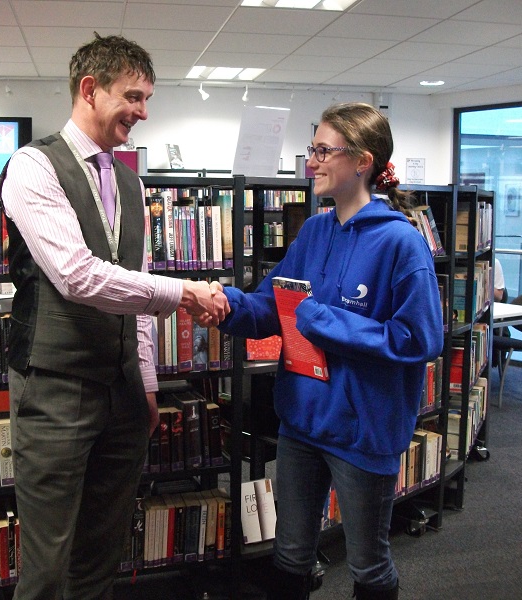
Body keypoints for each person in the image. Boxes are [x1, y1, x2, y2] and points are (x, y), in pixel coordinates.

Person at [0, 33, 228, 600]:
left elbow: (134, 298)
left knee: (101, 557)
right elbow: (79, 277)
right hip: (55, 390)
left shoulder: (131, 180)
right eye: (132, 96)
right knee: (48, 566)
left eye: (147, 98)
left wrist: (147, 384)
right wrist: (184, 292)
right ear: (89, 89)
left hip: (123, 394)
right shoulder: (33, 167)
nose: (142, 112)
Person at [216, 102, 443, 600]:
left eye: (323, 150)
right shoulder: (315, 231)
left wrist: (323, 321)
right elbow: (271, 305)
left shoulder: (402, 244)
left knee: (368, 564)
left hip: (363, 431)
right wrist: (222, 305)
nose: (311, 161)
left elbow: (420, 338)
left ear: (362, 161)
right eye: (311, 149)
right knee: (290, 555)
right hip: (302, 422)